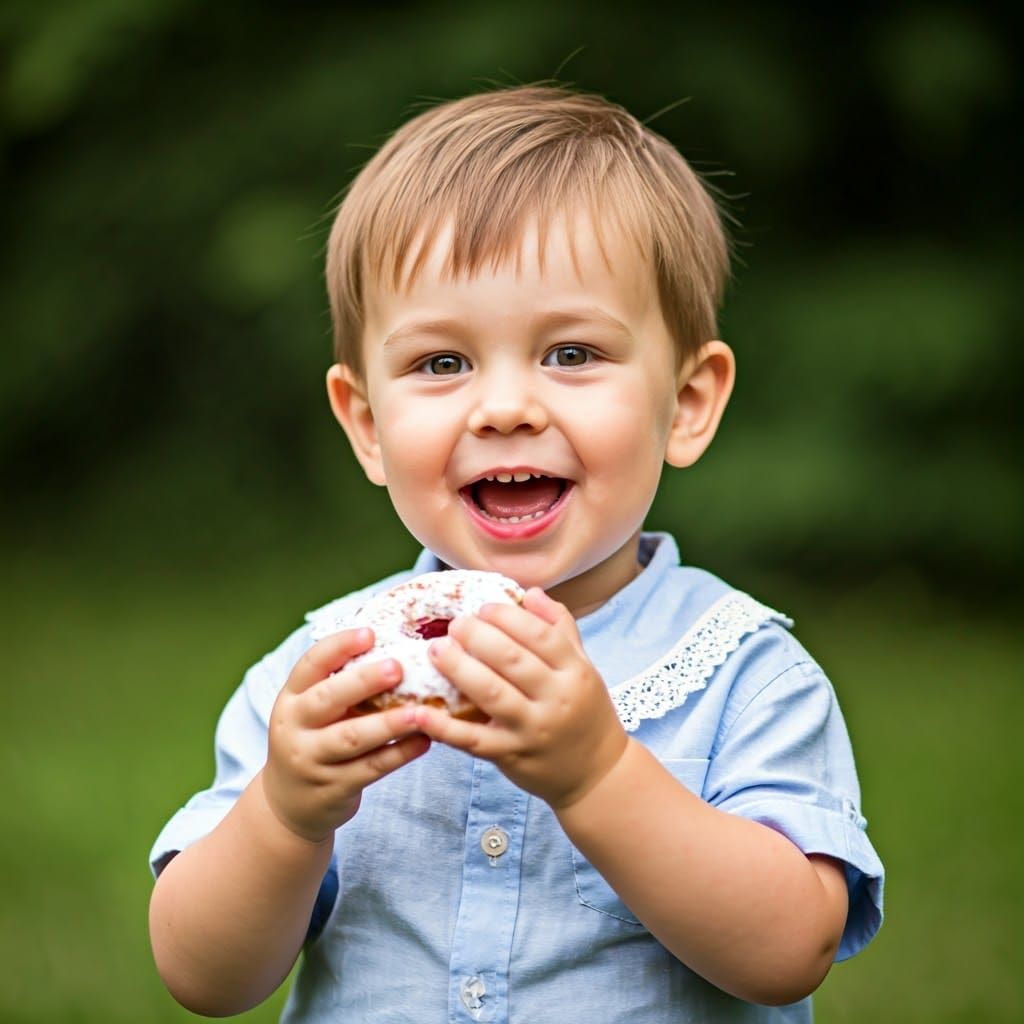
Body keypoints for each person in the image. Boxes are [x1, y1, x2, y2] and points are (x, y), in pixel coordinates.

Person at [148, 85, 884, 1023]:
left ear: (689, 402)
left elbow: (791, 950)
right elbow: (204, 979)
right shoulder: (324, 681)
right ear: (367, 425)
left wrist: (600, 775)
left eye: (572, 353)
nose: (504, 407)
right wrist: (285, 814)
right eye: (442, 364)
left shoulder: (744, 674)